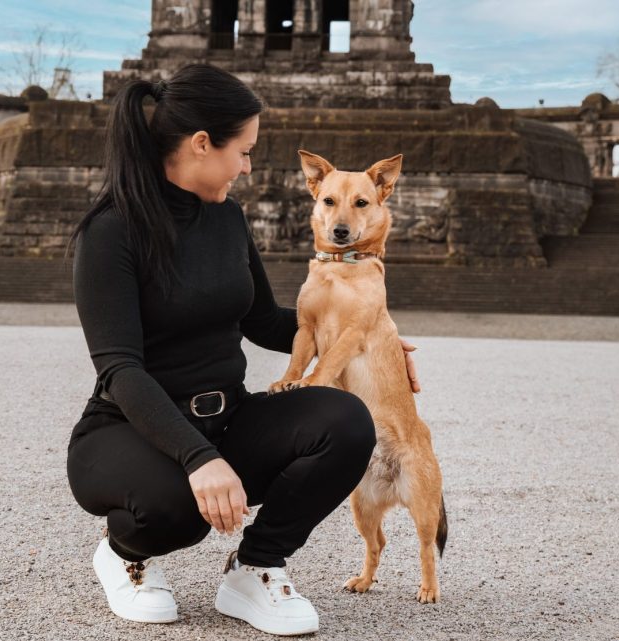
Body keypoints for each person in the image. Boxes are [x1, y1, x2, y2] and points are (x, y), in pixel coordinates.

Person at [63, 63, 422, 637]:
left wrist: (369, 335)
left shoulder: (228, 218)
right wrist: (199, 460)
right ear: (202, 145)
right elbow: (120, 368)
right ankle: (123, 555)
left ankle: (256, 567)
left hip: (227, 417)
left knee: (348, 422)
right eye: (245, 151)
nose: (250, 166)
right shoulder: (109, 232)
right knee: (177, 510)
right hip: (127, 428)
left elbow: (264, 321)